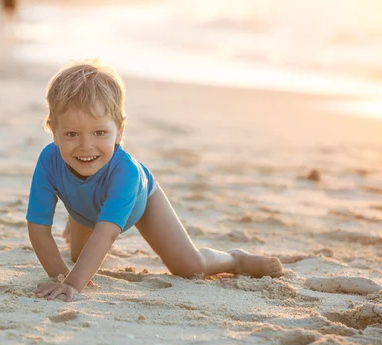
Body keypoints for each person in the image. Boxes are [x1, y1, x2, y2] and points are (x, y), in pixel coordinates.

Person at [27, 61, 284, 302]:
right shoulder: (49, 160)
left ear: (120, 130)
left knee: (190, 267)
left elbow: (106, 234)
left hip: (142, 201)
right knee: (76, 258)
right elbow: (38, 229)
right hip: (85, 210)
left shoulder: (125, 173)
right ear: (53, 131)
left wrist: (72, 285)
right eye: (71, 134)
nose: (86, 146)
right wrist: (61, 277)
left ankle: (235, 259)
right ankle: (76, 222)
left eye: (100, 132)